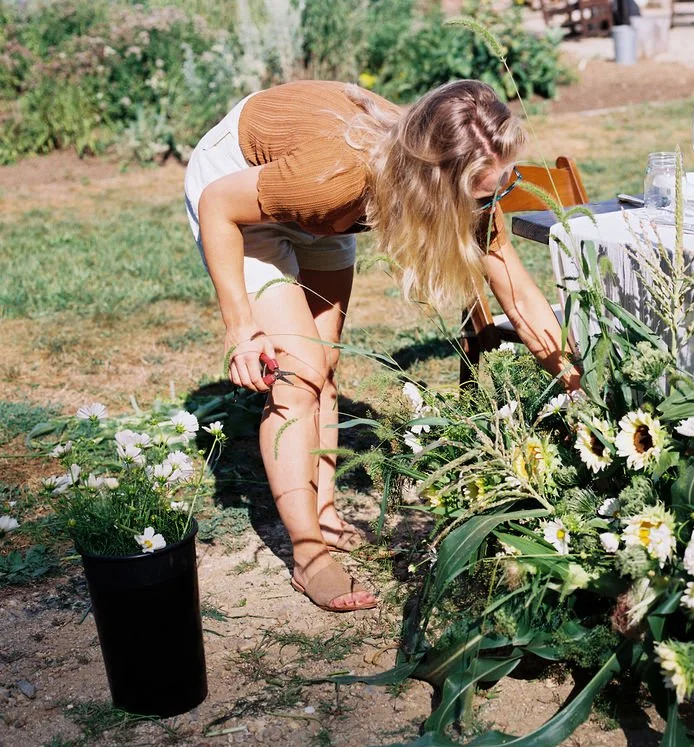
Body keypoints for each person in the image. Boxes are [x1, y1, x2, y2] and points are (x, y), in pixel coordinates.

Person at [184, 79, 579, 613]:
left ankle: (323, 514)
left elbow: (509, 278)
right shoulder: (335, 179)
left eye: (501, 189)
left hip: (322, 205)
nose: (494, 204)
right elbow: (217, 207)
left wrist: (570, 375)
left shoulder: (463, 162)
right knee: (298, 378)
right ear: (433, 184)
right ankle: (308, 557)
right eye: (486, 196)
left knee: (324, 365)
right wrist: (240, 327)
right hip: (243, 197)